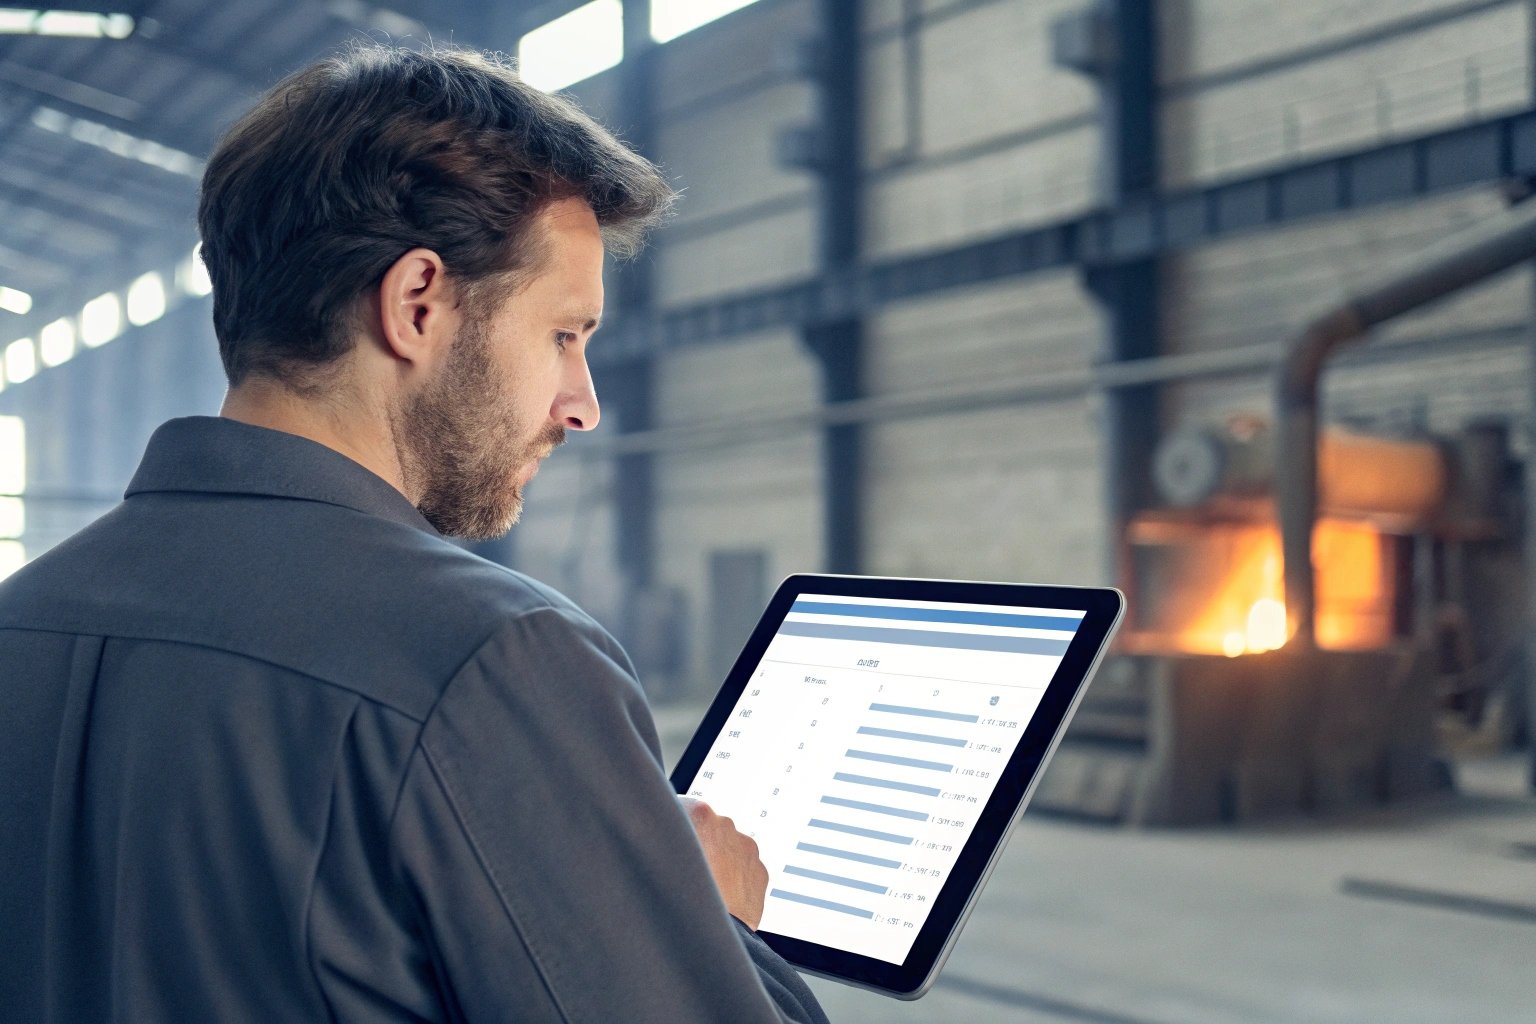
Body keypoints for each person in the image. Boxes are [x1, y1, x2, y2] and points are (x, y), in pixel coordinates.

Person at [0, 44, 829, 1024]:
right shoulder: (489, 658)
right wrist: (710, 922)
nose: (584, 404)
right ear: (417, 303)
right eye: (565, 334)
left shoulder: (22, 623)